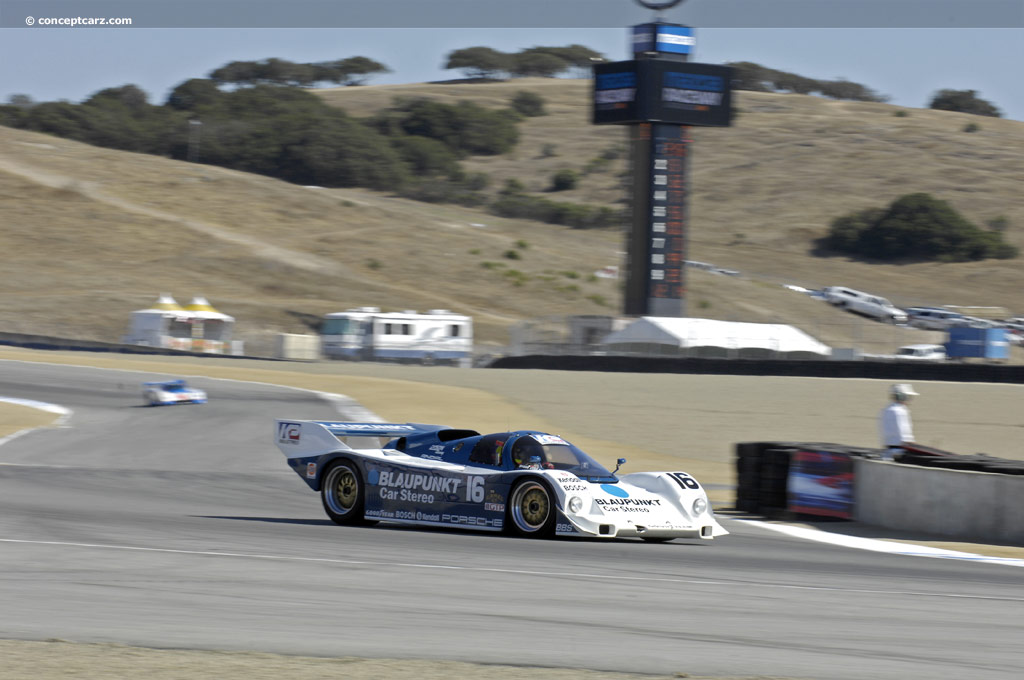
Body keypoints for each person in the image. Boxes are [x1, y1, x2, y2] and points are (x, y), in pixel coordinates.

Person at [878, 383, 918, 460]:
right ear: (901, 396)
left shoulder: (886, 410)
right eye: (907, 397)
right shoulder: (899, 411)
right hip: (900, 452)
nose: (908, 399)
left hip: (889, 451)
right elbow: (904, 436)